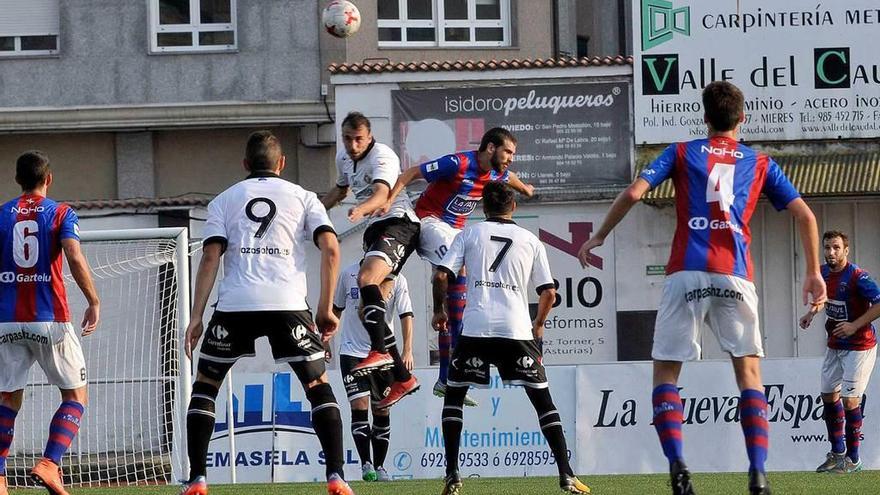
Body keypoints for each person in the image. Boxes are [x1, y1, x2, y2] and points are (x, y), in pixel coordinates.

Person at [578, 81, 826, 495]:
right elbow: (806, 216)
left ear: (705, 118)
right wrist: (813, 271)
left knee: (666, 373)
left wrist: (600, 234)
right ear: (742, 118)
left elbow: (635, 193)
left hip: (686, 274)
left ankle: (677, 466)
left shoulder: (681, 151)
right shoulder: (760, 161)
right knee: (749, 375)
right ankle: (758, 473)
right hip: (735, 274)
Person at [181, 131, 353, 495]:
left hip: (234, 306)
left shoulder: (224, 200)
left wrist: (196, 317)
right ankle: (336, 476)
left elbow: (211, 256)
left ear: (245, 165)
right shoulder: (304, 198)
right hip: (288, 305)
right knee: (317, 386)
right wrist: (324, 309)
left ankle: (197, 478)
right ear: (282, 164)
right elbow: (331, 249)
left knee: (206, 386)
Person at [434, 182, 590, 495]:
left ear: (483, 207)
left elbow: (441, 275)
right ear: (513, 207)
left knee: (453, 397)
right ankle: (567, 475)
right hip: (516, 330)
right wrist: (539, 323)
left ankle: (452, 474)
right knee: (542, 401)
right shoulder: (530, 240)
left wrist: (440, 311)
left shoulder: (469, 234)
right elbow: (549, 292)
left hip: (476, 328)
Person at [376, 127, 534, 407]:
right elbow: (411, 173)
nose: (510, 158)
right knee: (456, 270)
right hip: (429, 222)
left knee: (462, 288)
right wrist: (389, 200)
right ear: (490, 148)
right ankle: (446, 354)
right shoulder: (458, 164)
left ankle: (445, 375)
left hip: (453, 232)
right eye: (507, 152)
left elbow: (511, 178)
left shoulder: (497, 173)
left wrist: (527, 190)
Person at [0, 151, 100, 495]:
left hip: (6, 322)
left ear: (17, 180)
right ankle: (50, 463)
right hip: (50, 320)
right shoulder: (60, 212)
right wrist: (93, 300)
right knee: (76, 394)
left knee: (7, 398)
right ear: (49, 179)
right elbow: (73, 254)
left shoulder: (0, 215)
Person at [321, 112, 420, 408]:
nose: (353, 145)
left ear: (369, 135)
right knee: (368, 309)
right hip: (377, 230)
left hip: (398, 224)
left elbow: (381, 195)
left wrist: (361, 209)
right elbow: (341, 189)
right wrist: (314, 210)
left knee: (365, 279)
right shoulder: (344, 158)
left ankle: (380, 351)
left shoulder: (383, 157)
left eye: (358, 139)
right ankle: (403, 379)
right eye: (347, 139)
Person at [799, 230, 880, 474]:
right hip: (835, 344)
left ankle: (853, 459)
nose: (830, 252)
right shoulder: (823, 273)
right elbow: (823, 299)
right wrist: (812, 313)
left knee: (849, 399)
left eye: (836, 248)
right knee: (827, 396)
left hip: (860, 346)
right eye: (827, 248)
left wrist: (855, 324)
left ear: (845, 250)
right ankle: (836, 453)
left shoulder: (858, 277)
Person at [332, 262, 414, 482]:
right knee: (359, 406)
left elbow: (406, 314)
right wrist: (326, 339)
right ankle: (365, 463)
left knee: (381, 410)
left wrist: (407, 350)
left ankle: (380, 466)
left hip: (382, 354)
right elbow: (336, 308)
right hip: (352, 352)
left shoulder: (397, 278)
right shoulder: (348, 273)